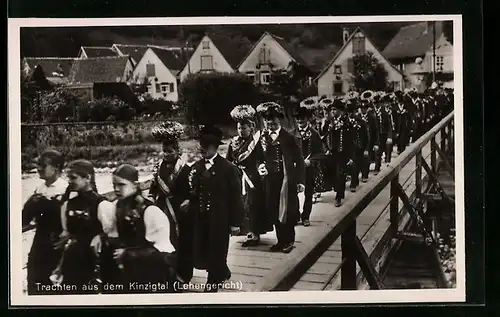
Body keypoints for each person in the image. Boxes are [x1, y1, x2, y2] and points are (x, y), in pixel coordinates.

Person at [95, 164, 177, 293]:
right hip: (125, 269)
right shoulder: (114, 207)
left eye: (121, 185)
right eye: (114, 185)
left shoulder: (150, 211)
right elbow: (113, 234)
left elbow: (164, 251)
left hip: (148, 270)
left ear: (135, 184)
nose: (116, 189)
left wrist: (129, 254)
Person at [186, 125, 244, 292]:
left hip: (220, 218)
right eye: (201, 145)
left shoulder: (228, 169)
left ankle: (212, 282)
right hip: (201, 217)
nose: (201, 149)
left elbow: (236, 198)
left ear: (215, 147)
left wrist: (235, 222)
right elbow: (193, 191)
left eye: (206, 146)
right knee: (203, 247)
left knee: (217, 248)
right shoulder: (196, 167)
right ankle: (222, 271)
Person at [51, 160, 115, 294]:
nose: (69, 181)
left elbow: (113, 233)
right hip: (73, 260)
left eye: (73, 178)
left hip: (92, 262)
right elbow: (68, 233)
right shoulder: (68, 204)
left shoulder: (101, 204)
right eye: (68, 177)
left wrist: (100, 236)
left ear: (87, 178)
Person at [148, 120, 196, 283]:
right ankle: (167, 272)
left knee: (182, 243)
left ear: (178, 150)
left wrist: (189, 200)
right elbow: (153, 188)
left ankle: (183, 274)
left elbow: (193, 191)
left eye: (170, 151)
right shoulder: (157, 168)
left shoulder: (186, 169)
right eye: (164, 151)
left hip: (180, 213)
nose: (166, 154)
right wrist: (150, 197)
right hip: (162, 209)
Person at [256, 102, 305, 252]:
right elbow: (257, 157)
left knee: (288, 211)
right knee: (274, 210)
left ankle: (289, 240)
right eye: (267, 120)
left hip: (286, 180)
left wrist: (300, 181)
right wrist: (260, 166)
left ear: (279, 120)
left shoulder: (288, 137)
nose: (270, 123)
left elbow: (299, 160)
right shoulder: (262, 137)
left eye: (274, 120)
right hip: (270, 181)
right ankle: (280, 240)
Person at [23, 150, 68, 295]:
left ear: (56, 167)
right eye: (38, 164)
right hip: (40, 239)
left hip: (57, 240)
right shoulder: (40, 188)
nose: (39, 168)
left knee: (52, 280)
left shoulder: (66, 188)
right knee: (35, 275)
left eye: (43, 165)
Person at [226, 105, 272, 246]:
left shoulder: (256, 142)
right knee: (241, 204)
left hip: (252, 177)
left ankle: (255, 233)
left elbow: (262, 158)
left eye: (244, 128)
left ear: (251, 128)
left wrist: (261, 169)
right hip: (238, 177)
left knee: (253, 205)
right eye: (239, 128)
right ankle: (246, 232)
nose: (241, 131)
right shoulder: (233, 142)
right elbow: (228, 160)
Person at [291, 98, 324, 227]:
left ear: (307, 119)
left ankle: (305, 216)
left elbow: (320, 153)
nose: (300, 121)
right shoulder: (292, 134)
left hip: (309, 168)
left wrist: (311, 161)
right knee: (294, 193)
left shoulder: (314, 134)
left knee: (308, 193)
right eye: (298, 119)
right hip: (296, 169)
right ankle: (295, 215)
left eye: (302, 118)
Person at [321, 98, 353, 207]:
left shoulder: (346, 121)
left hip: (343, 152)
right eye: (332, 110)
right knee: (333, 173)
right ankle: (337, 190)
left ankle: (339, 196)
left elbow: (350, 140)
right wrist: (326, 149)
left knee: (340, 174)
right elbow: (324, 135)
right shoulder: (329, 121)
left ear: (340, 110)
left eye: (335, 109)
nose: (333, 111)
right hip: (332, 152)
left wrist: (350, 156)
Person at [365, 91, 393, 174]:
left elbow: (388, 123)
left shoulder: (383, 110)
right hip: (373, 133)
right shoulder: (370, 111)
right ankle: (368, 168)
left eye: (377, 103)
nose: (376, 104)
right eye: (375, 103)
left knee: (379, 151)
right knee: (371, 150)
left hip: (382, 133)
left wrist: (389, 136)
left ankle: (377, 167)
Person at [346, 97, 370, 192]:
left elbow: (366, 136)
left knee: (356, 165)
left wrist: (366, 148)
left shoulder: (361, 121)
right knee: (350, 165)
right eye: (348, 113)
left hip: (358, 147)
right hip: (348, 147)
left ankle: (354, 183)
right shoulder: (344, 122)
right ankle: (353, 181)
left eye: (351, 112)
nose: (350, 115)